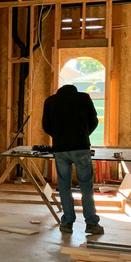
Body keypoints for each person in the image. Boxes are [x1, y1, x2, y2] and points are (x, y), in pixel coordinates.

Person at [42, 84, 104, 236]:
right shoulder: (84, 98)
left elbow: (46, 126)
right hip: (81, 147)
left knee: (64, 186)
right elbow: (94, 121)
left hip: (60, 149)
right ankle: (91, 223)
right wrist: (83, 134)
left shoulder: (50, 101)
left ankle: (67, 222)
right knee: (86, 186)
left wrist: (59, 136)